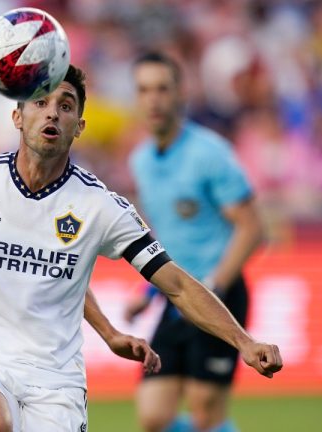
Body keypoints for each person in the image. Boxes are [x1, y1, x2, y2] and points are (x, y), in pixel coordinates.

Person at [0, 65, 282, 432]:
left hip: (56, 383)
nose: (52, 113)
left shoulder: (102, 208)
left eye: (65, 105)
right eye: (40, 102)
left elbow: (176, 285)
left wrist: (244, 340)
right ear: (17, 117)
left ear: (79, 125)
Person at [123, 52, 266, 432]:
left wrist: (216, 285)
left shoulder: (210, 153)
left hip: (219, 295)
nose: (153, 99)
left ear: (180, 93)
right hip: (176, 297)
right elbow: (167, 238)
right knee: (153, 416)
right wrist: (147, 291)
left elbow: (253, 228)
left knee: (205, 412)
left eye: (162, 89)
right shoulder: (141, 161)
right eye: (143, 90)